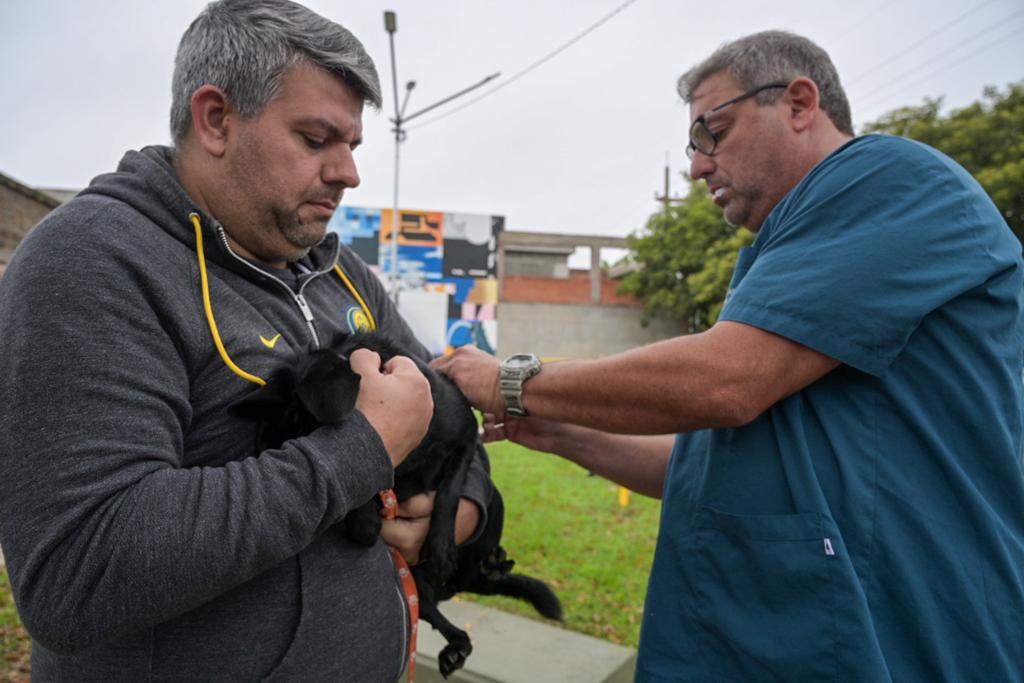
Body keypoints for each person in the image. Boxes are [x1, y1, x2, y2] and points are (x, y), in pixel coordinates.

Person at [434, 30, 1024, 682]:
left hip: (903, 637)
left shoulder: (889, 182)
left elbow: (727, 380)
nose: (697, 166)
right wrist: (566, 430)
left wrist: (510, 380)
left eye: (713, 131)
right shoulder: (779, 250)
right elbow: (709, 463)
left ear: (800, 102)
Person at [0, 1, 493, 680]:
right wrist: (361, 449)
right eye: (317, 139)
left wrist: (465, 508)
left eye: (353, 145)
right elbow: (78, 574)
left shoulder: (340, 271)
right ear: (215, 120)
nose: (349, 172)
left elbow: (444, 411)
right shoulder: (93, 262)